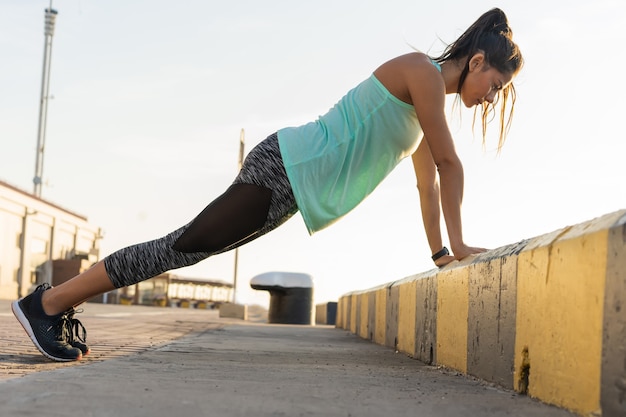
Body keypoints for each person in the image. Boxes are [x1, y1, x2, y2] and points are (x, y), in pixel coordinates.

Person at [12, 8, 523, 362]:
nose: (490, 97)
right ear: (477, 62)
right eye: (495, 85)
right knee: (183, 245)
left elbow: (429, 184)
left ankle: (52, 302)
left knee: (186, 250)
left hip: (292, 182)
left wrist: (439, 253)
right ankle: (48, 304)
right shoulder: (423, 74)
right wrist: (459, 245)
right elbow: (451, 164)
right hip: (285, 165)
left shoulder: (420, 109)